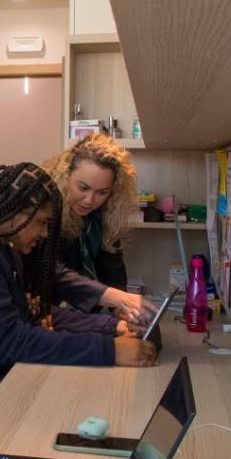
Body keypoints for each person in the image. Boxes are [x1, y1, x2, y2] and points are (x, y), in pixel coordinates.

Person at [0, 162, 156, 444]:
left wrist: (110, 327)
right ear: (14, 214)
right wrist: (108, 350)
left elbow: (36, 314)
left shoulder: (4, 251)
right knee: (62, 418)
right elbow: (10, 341)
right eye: (42, 223)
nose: (44, 233)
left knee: (80, 399)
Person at [45, 135, 154, 327]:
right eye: (83, 188)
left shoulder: (103, 217)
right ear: (65, 176)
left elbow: (113, 271)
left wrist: (120, 309)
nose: (89, 200)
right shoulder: (45, 212)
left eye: (102, 192)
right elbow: (56, 271)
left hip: (75, 313)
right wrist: (118, 298)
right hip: (46, 311)